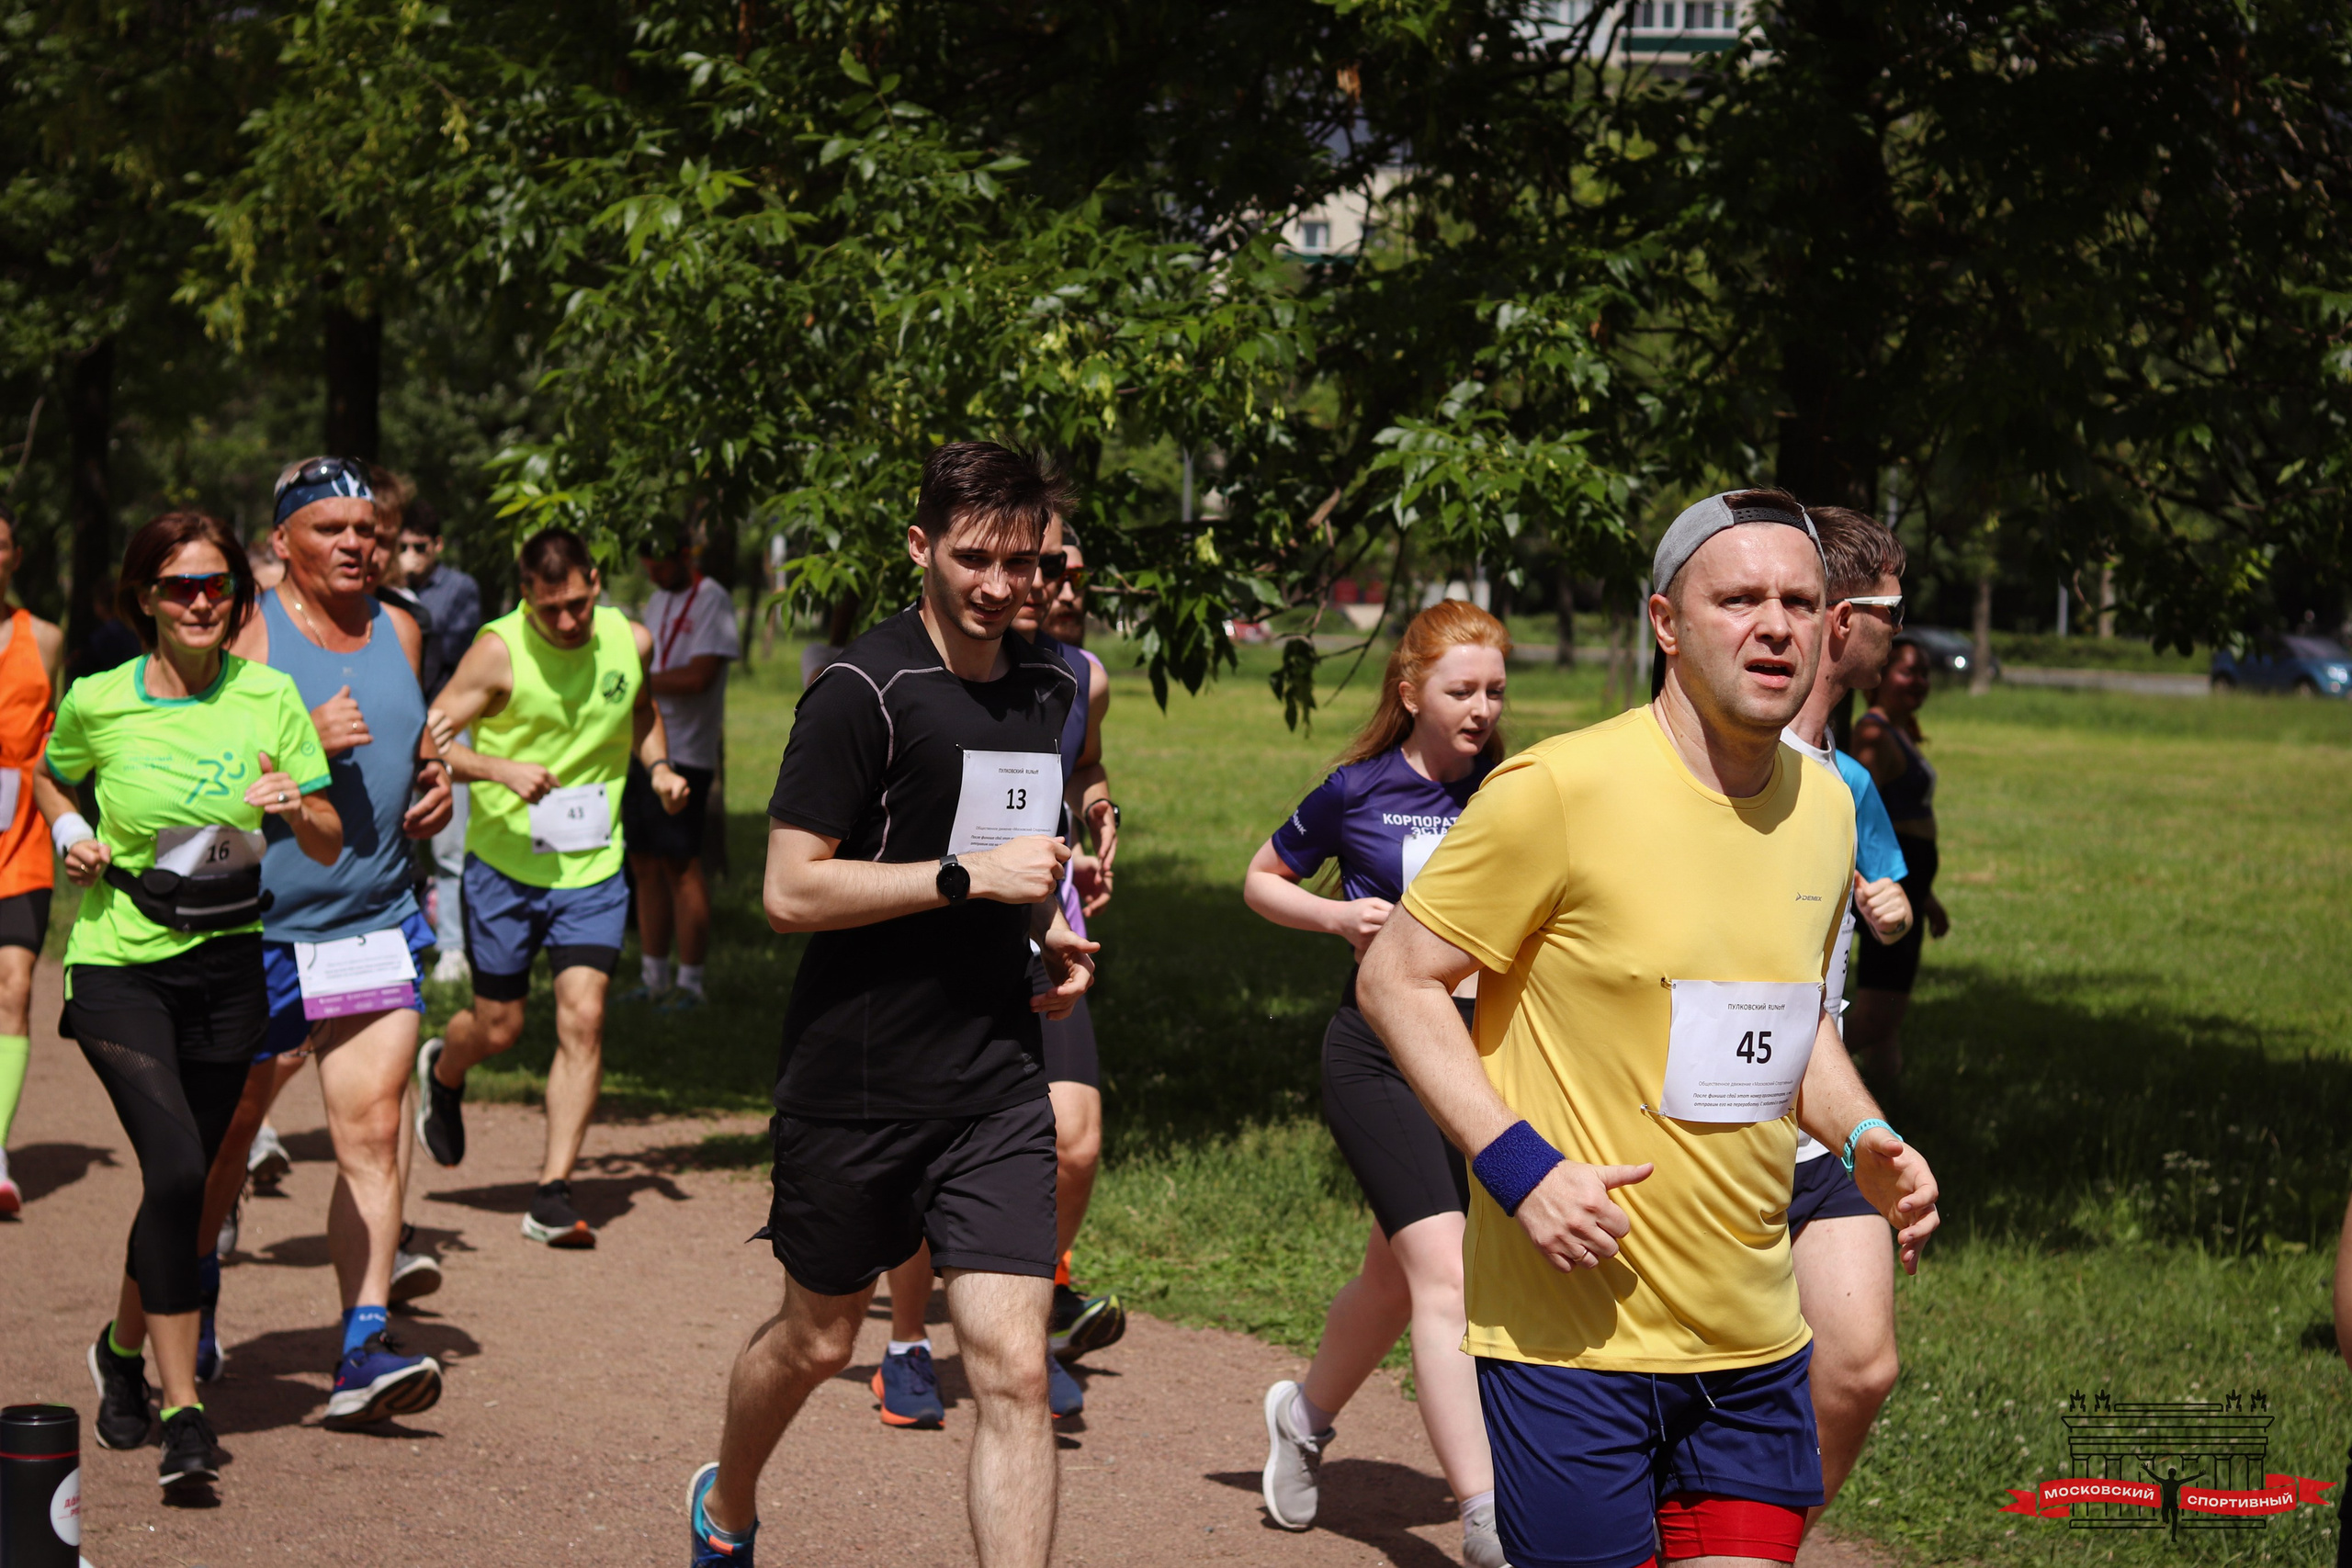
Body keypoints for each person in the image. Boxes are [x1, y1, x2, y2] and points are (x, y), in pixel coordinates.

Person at [1359, 490, 1940, 1568]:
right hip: (1571, 1346)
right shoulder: (1559, 790)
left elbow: (1795, 1016)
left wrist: (1864, 1137)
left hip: (1755, 1345)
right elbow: (1395, 980)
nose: (1774, 625)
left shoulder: (1820, 808)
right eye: (1740, 599)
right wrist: (1520, 1165)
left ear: (1830, 627)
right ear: (1665, 622)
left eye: (1800, 602)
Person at [689, 442, 1095, 1568]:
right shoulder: (858, 691)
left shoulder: (1051, 687)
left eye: (1023, 564)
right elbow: (787, 891)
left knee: (1012, 1369)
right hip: (857, 1084)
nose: (1000, 586)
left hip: (996, 1083)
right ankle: (727, 1506)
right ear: (921, 548)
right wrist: (971, 882)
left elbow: (1013, 854)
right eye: (974, 559)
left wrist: (1050, 926)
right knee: (818, 1342)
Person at [36, 510, 339, 1498]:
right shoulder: (98, 699)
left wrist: (297, 806)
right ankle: (184, 1413)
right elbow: (45, 773)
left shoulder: (270, 697)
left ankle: (121, 1351)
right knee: (173, 1168)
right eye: (179, 587)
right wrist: (74, 827)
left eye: (216, 586)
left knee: (190, 1187)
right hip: (120, 962)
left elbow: (332, 834)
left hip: (229, 964)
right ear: (144, 601)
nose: (201, 601)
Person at [187, 457, 453, 1427]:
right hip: (258, 928)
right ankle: (194, 1293)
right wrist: (301, 731)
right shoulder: (245, 635)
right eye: (332, 529)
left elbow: (415, 747)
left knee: (374, 1130)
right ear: (285, 541)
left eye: (369, 531)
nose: (356, 545)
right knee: (222, 1146)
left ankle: (362, 1346)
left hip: (373, 921)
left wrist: (432, 786)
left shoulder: (403, 627)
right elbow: (193, 773)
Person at [1245, 600, 1510, 1568]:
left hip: (1484, 1064)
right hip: (1378, 1056)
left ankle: (1303, 1419)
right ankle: (1489, 1524)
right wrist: (1335, 921)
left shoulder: (1516, 792)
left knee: (1391, 1279)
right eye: (1460, 690)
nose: (1480, 708)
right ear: (1410, 692)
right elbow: (1260, 877)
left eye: (1492, 690)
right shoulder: (1357, 792)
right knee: (1446, 1277)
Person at [873, 518, 1122, 1430]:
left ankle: (1030, 1320)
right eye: (1038, 564)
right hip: (929, 932)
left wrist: (1097, 812)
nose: (1055, 582)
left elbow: (1079, 765)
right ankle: (906, 1341)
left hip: (1039, 925)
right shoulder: (926, 669)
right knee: (920, 1150)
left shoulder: (1078, 678)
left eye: (1067, 569)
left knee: (1076, 1139)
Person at [413, 527, 688, 1247]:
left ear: (596, 580)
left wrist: (657, 768)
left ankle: (553, 1190)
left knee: (584, 1017)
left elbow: (641, 710)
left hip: (593, 865)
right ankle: (444, 1068)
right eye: (549, 610)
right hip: (505, 865)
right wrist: (499, 770)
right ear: (525, 598)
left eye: (575, 604)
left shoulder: (632, 639)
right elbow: (432, 736)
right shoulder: (498, 650)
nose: (565, 622)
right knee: (499, 1026)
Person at [1779, 505, 1917, 1536]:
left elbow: (1890, 892)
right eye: (1890, 614)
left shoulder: (1848, 777)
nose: (1899, 641)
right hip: (1691, 1120)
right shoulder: (1717, 751)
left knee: (1860, 1365)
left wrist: (1889, 903)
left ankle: (1755, 1539)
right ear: (1843, 620)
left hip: (1817, 1111)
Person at [621, 529, 739, 1010]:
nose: (654, 573)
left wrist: (637, 681)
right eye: (647, 565)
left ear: (685, 555)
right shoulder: (655, 603)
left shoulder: (712, 599)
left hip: (686, 754)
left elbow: (699, 675)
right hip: (644, 750)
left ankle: (691, 984)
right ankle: (653, 977)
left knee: (682, 864)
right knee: (645, 863)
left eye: (662, 565)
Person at [1847, 633, 1951, 1081]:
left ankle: (1886, 1111)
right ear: (1881, 675)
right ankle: (1793, 1076)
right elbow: (1851, 810)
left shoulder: (1897, 732)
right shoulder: (1874, 734)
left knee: (1888, 1018)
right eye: (1908, 671)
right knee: (1877, 1014)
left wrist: (1924, 896)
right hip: (1885, 887)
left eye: (1924, 673)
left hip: (1906, 882)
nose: (1919, 682)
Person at [0, 500, 64, 1217]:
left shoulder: (43, 639)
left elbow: (57, 742)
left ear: (15, 556)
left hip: (19, 837)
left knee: (14, 986)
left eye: (1, 544)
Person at [395, 500, 482, 982]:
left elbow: (445, 648)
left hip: (447, 725)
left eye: (419, 547)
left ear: (437, 546)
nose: (410, 555)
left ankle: (452, 946)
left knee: (450, 846)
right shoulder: (385, 589)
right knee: (397, 841)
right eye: (401, 547)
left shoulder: (459, 589)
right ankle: (406, 939)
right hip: (395, 727)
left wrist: (407, 596)